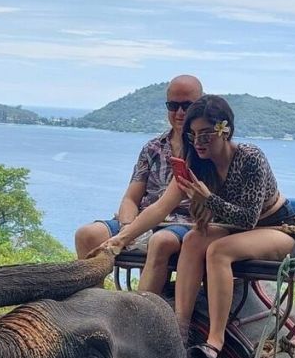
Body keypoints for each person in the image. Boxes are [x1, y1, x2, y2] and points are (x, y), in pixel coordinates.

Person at [102, 95, 295, 357]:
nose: (198, 142)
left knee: (218, 251)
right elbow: (160, 208)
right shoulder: (197, 164)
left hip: (276, 227)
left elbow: (248, 219)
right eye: (192, 135)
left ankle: (215, 340)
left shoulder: (250, 158)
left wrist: (208, 199)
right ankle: (180, 328)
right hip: (236, 228)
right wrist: (121, 238)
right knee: (193, 239)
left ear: (225, 130)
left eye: (205, 134)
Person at [74, 75, 203, 294]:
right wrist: (128, 227)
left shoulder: (203, 149)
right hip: (142, 221)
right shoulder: (153, 148)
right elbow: (131, 198)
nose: (180, 113)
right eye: (173, 106)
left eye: (187, 106)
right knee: (87, 235)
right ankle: (95, 302)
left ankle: (142, 307)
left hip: (183, 223)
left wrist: (129, 235)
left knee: (160, 241)